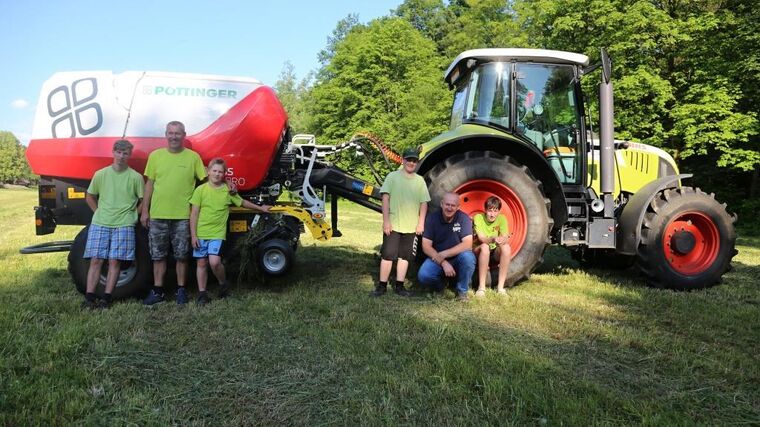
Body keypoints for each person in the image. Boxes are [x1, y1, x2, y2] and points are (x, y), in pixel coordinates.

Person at [141, 121, 207, 305]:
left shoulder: (193, 158)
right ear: (165, 135)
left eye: (177, 133)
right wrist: (144, 211)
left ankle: (181, 291)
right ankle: (158, 291)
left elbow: (206, 182)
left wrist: (228, 186)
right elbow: (150, 185)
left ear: (184, 135)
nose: (174, 137)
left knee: (182, 256)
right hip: (158, 215)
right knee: (158, 256)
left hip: (183, 216)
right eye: (170, 133)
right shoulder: (155, 156)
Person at [190, 158, 271, 305]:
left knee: (214, 262)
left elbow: (242, 202)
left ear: (224, 174)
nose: (217, 174)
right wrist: (193, 235)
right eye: (214, 171)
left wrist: (261, 208)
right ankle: (202, 293)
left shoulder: (228, 191)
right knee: (201, 263)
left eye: (220, 172)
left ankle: (223, 284)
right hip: (201, 233)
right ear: (208, 172)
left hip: (217, 233)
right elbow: (194, 213)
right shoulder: (200, 190)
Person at [82, 139, 144, 309]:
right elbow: (90, 196)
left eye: (125, 153)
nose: (121, 156)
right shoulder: (101, 174)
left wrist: (133, 215)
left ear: (129, 155)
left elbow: (143, 201)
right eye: (119, 152)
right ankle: (89, 297)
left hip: (124, 224)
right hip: (101, 222)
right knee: (96, 260)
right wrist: (98, 212)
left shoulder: (135, 177)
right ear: (113, 152)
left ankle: (107, 298)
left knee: (115, 261)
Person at [371, 148, 430, 297]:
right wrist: (386, 221)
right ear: (403, 160)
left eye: (414, 160)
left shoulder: (420, 181)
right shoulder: (392, 177)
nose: (411, 163)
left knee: (405, 257)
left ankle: (399, 286)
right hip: (394, 224)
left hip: (411, 226)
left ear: (417, 163)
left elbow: (424, 203)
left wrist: (421, 223)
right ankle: (382, 286)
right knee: (387, 255)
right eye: (409, 159)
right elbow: (385, 199)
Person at [418, 192, 476, 301]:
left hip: (457, 257)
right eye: (447, 204)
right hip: (438, 258)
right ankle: (440, 287)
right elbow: (426, 246)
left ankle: (462, 292)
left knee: (468, 258)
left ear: (458, 207)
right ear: (441, 204)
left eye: (453, 205)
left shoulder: (464, 219)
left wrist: (444, 254)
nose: (449, 208)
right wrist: (443, 262)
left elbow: (468, 244)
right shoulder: (432, 219)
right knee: (424, 275)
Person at [472, 196, 511, 297]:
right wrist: (493, 239)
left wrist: (501, 240)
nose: (492, 214)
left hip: (494, 250)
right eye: (490, 210)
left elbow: (505, 236)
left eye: (495, 211)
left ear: (499, 211)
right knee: (485, 247)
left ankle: (501, 288)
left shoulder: (502, 219)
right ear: (485, 210)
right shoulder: (478, 218)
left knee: (506, 248)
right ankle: (481, 288)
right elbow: (481, 238)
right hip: (479, 249)